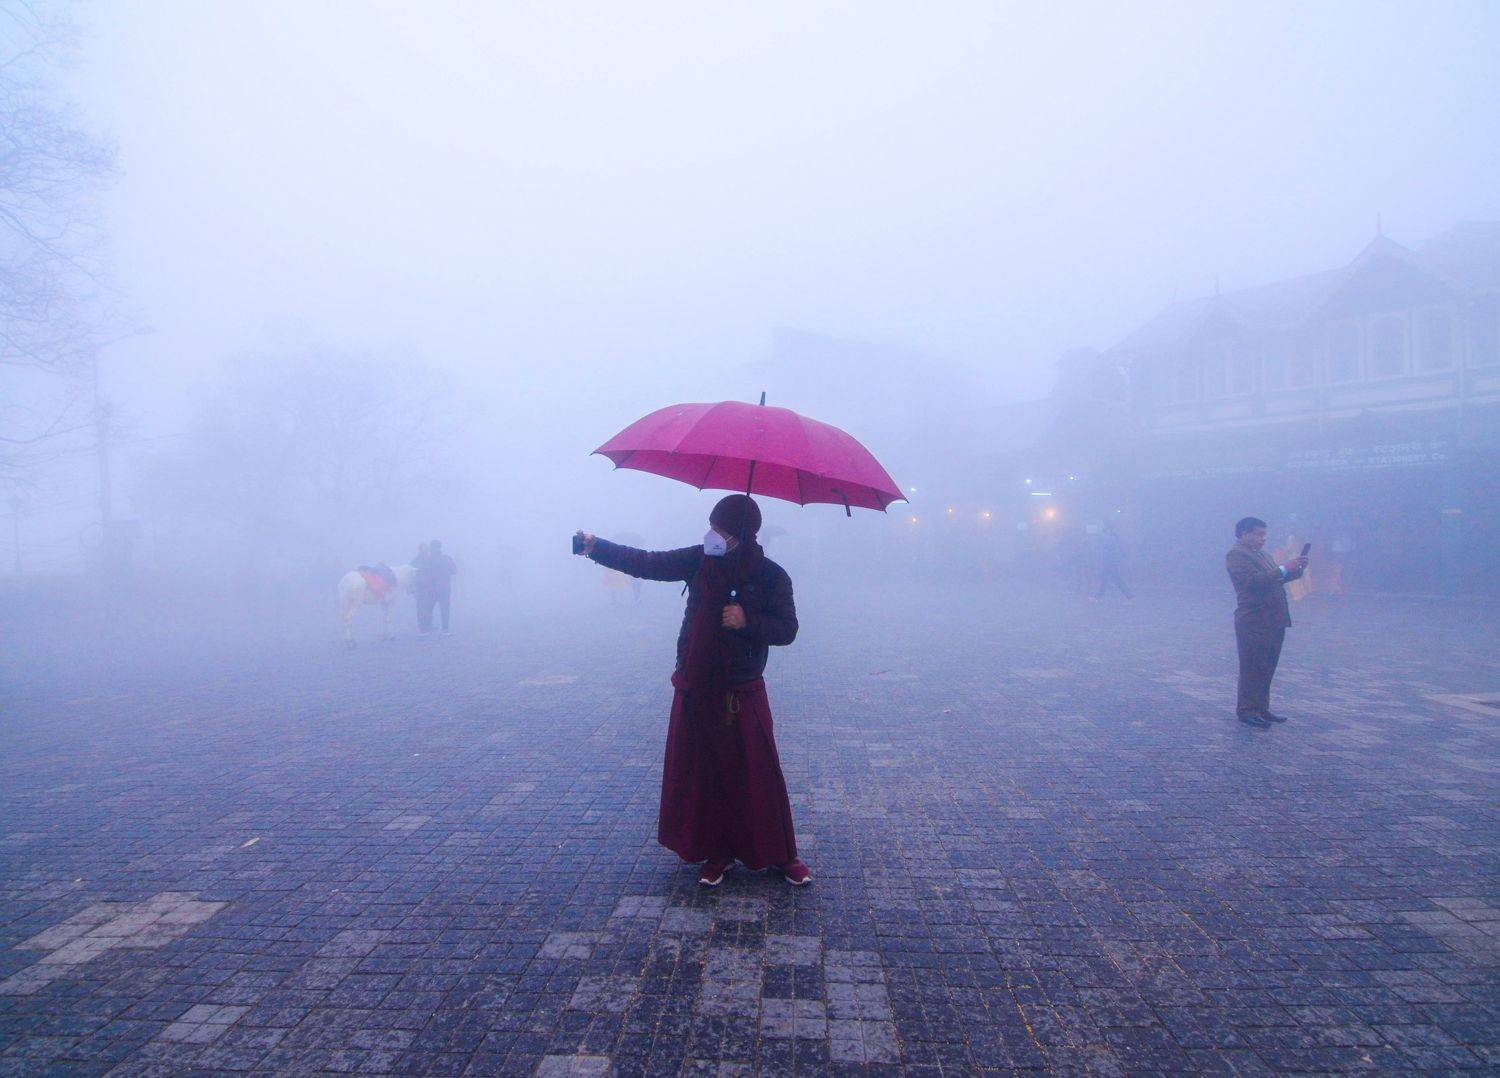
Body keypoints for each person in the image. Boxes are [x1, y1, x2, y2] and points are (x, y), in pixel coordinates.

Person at [574, 494, 810, 888]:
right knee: (705, 773)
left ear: (738, 535)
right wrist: (596, 547)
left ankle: (779, 852)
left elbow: (787, 630)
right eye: (710, 527)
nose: (710, 535)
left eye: (719, 530)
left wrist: (747, 620)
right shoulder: (698, 560)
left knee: (758, 773)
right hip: (697, 684)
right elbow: (647, 562)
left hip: (742, 688)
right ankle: (718, 851)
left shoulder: (772, 576)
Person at [1226, 517, 1307, 729]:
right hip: (1254, 620)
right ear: (1244, 534)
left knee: (1267, 666)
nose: (1263, 538)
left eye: (1264, 534)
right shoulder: (1236, 555)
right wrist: (1283, 568)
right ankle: (1247, 710)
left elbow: (1275, 579)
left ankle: (1261, 707)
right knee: (1252, 666)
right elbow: (1252, 582)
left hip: (1274, 619)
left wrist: (1294, 570)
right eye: (1259, 534)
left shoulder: (1263, 555)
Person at [413, 539, 457, 635]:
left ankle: (426, 630)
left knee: (428, 609)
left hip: (430, 589)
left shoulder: (426, 560)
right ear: (440, 547)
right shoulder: (447, 559)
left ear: (431, 548)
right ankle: (445, 630)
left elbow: (419, 572)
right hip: (444, 589)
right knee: (445, 609)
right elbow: (454, 571)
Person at [1094, 522, 1134, 601]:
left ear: (1107, 528)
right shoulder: (1113, 536)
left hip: (1110, 561)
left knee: (1111, 580)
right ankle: (1098, 597)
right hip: (1111, 561)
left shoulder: (1109, 537)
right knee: (1110, 580)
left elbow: (1108, 548)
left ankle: (1130, 596)